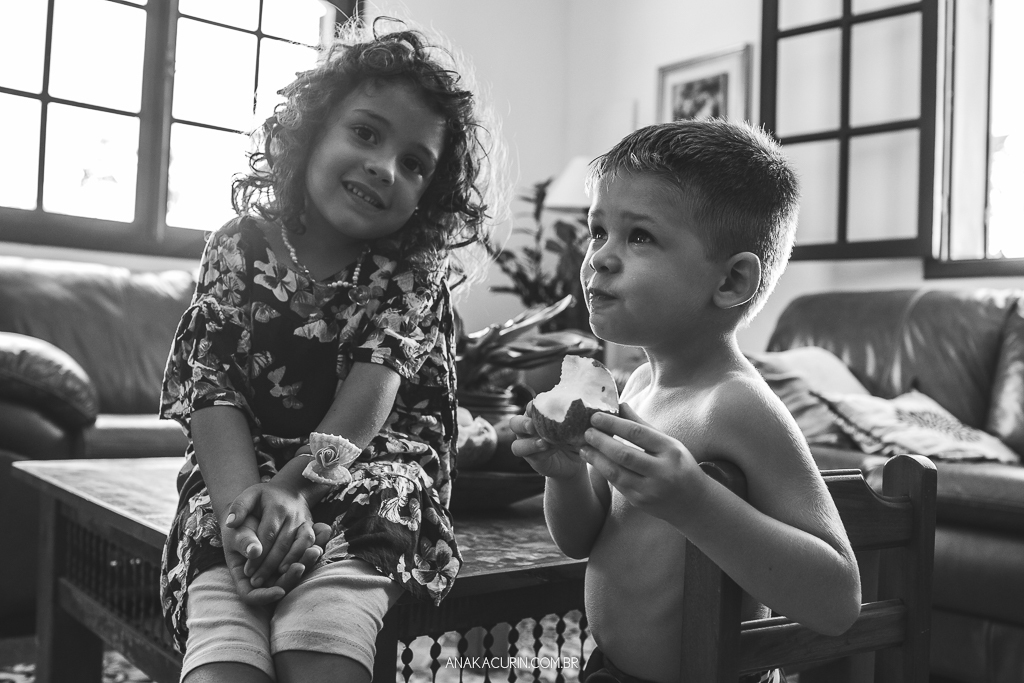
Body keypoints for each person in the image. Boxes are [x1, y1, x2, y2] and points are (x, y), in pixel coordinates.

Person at [159, 20, 498, 683]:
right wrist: (243, 515)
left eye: (414, 164)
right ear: (310, 132)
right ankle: (229, 616)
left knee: (319, 632)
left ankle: (326, 620)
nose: (384, 167)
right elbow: (210, 386)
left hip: (367, 466)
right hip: (243, 471)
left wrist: (294, 490)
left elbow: (372, 395)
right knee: (225, 626)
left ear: (428, 196)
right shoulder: (237, 245)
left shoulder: (410, 271)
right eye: (366, 133)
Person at [510, 120, 862, 683]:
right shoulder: (632, 388)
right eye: (598, 231)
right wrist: (566, 476)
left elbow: (837, 600)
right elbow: (581, 540)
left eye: (640, 237)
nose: (600, 257)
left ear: (731, 281)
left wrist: (695, 503)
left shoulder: (735, 404)